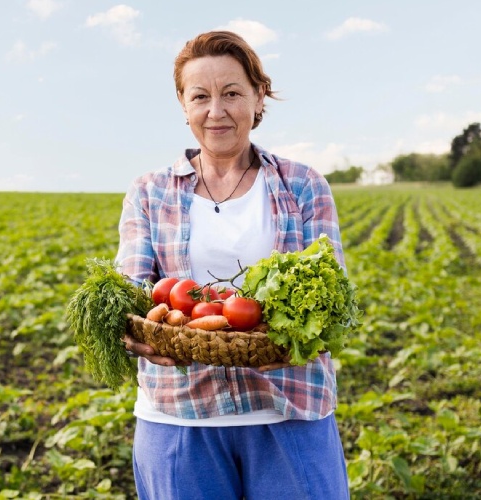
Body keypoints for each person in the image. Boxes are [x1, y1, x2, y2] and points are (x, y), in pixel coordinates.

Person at [117, 30, 350, 499]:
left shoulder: (303, 184)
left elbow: (332, 297)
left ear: (258, 96)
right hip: (178, 416)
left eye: (231, 93)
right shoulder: (149, 191)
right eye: (200, 96)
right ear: (183, 105)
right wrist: (137, 336)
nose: (215, 111)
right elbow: (131, 292)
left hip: (288, 409)